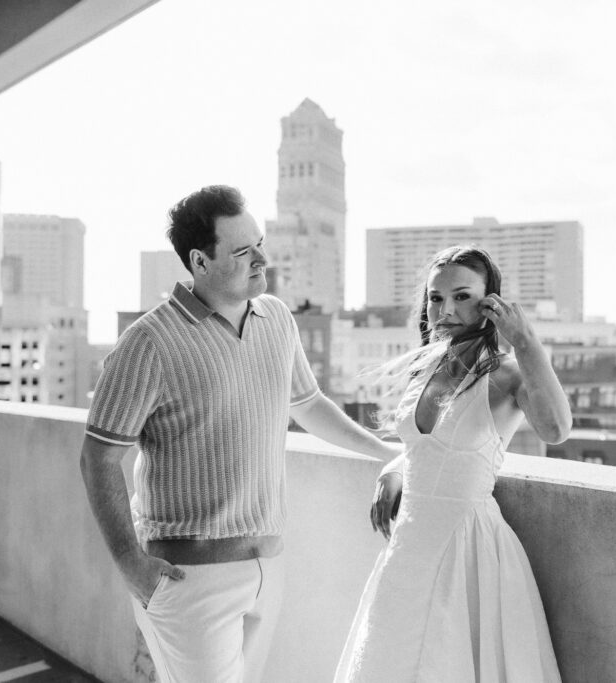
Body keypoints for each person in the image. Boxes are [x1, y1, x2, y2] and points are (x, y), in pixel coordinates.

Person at [79, 185, 400, 683]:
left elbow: (308, 404)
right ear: (199, 261)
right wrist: (129, 564)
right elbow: (97, 459)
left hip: (268, 566)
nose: (261, 259)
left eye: (260, 244)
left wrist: (385, 453)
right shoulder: (148, 342)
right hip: (188, 577)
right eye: (242, 251)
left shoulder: (277, 318)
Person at [334, 245, 572, 682]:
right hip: (409, 544)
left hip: (468, 548)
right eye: (436, 297)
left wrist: (525, 340)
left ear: (490, 303)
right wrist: (394, 469)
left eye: (462, 297)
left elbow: (556, 429)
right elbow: (431, 447)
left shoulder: (506, 374)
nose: (445, 310)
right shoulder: (427, 367)